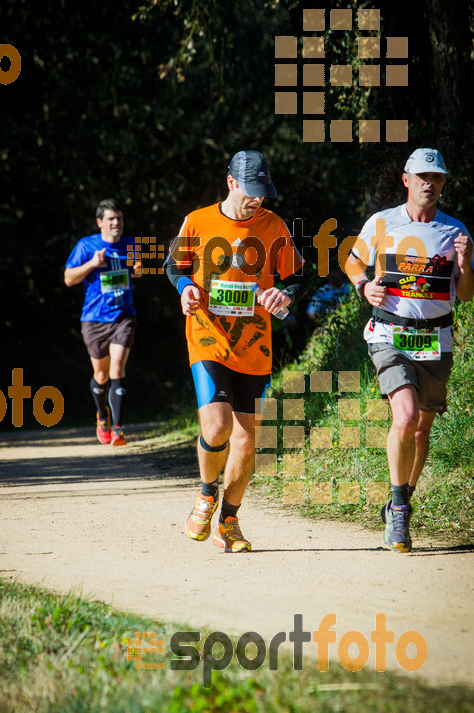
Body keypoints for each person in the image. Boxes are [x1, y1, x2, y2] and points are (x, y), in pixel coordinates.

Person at [165, 150, 302, 552]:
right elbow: (176, 267)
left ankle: (229, 521)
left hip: (254, 345)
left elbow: (295, 277)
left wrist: (284, 296)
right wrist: (185, 288)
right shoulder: (198, 220)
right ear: (231, 182)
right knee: (218, 427)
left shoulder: (274, 226)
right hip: (207, 336)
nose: (257, 199)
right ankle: (207, 494)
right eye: (251, 191)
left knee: (245, 440)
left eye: (263, 192)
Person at [344, 148, 474, 553]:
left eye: (436, 178)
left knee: (421, 431)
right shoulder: (382, 223)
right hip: (389, 334)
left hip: (437, 340)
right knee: (403, 417)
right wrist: (364, 285)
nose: (428, 184)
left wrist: (466, 265)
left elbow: (466, 295)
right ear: (406, 179)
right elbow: (352, 263)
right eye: (422, 176)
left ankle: (400, 500)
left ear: (442, 184)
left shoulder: (457, 233)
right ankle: (400, 512)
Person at [64, 199, 141, 446]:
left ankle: (118, 429)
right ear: (100, 223)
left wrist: (138, 267)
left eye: (119, 218)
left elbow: (139, 270)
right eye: (111, 219)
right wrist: (92, 264)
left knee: (117, 367)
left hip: (123, 316)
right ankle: (102, 418)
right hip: (94, 319)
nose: (116, 222)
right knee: (100, 373)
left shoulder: (131, 244)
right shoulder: (86, 246)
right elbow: (68, 279)